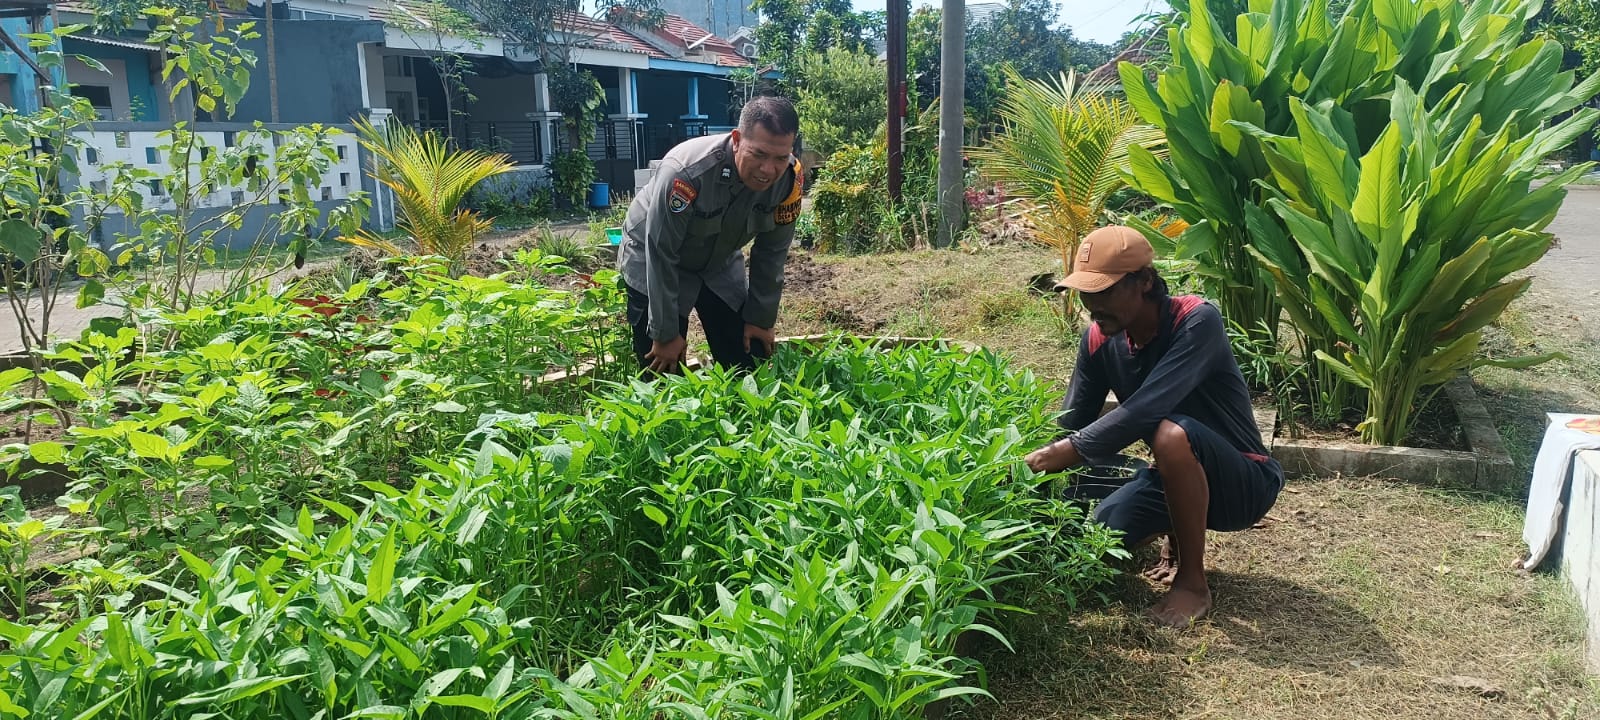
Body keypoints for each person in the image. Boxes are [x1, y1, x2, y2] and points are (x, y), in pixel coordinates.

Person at [1024, 225, 1284, 628]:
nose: (1093, 304)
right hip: (1170, 472)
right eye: (1086, 292)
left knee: (1170, 433)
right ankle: (1171, 525)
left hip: (1243, 482)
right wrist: (1031, 465)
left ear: (1145, 281)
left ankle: (1193, 583)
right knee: (1101, 540)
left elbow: (1147, 410)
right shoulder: (1097, 340)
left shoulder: (1196, 321)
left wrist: (1061, 452)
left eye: (1105, 291)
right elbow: (1071, 423)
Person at [617, 96, 804, 374]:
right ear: (737, 139)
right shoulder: (685, 174)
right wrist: (666, 333)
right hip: (652, 258)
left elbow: (772, 252)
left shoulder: (789, 182)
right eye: (759, 154)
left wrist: (761, 319)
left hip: (718, 262)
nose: (768, 170)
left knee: (747, 358)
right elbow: (662, 250)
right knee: (660, 369)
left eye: (780, 158)